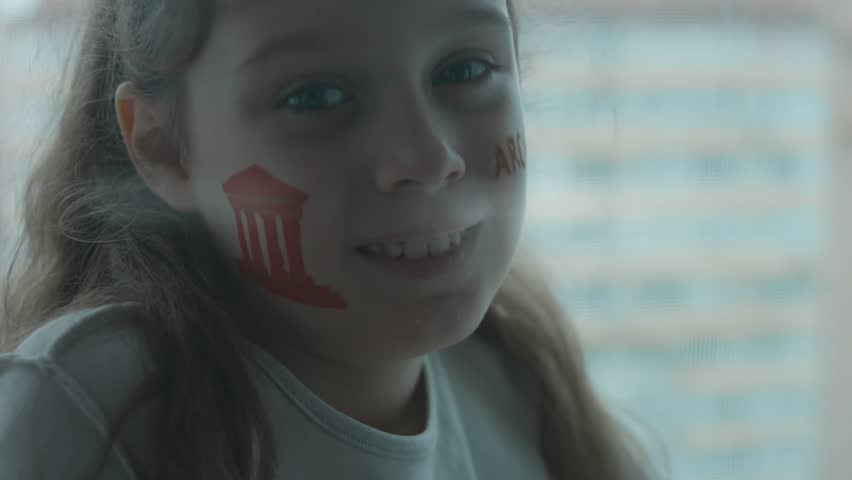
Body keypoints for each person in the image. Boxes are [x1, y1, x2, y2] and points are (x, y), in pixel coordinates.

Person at [0, 0, 659, 478]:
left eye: (464, 70)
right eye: (315, 96)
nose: (427, 158)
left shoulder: (515, 376)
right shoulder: (95, 406)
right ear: (164, 147)